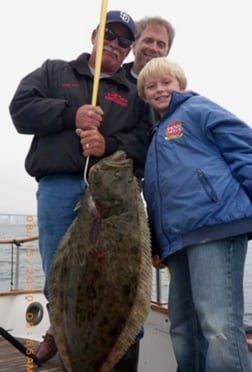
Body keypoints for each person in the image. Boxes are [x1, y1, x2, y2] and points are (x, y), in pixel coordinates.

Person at [9, 10, 150, 370]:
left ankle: (115, 360)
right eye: (110, 36)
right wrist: (71, 115)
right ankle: (65, 341)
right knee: (60, 271)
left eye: (124, 42)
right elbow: (20, 110)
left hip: (115, 199)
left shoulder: (132, 93)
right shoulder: (55, 72)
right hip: (59, 184)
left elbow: (144, 143)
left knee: (117, 282)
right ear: (94, 35)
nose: (116, 46)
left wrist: (108, 143)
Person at [137, 57, 252, 371]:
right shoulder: (154, 137)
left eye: (167, 82)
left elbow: (245, 149)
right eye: (152, 85)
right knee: (183, 328)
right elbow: (155, 197)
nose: (160, 89)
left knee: (219, 327)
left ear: (181, 86)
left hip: (216, 227)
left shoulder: (199, 110)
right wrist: (158, 245)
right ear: (144, 95)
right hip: (177, 243)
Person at [123, 16, 175, 85]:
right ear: (134, 45)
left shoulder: (171, 92)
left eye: (160, 45)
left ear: (167, 53)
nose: (153, 48)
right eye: (148, 41)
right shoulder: (111, 79)